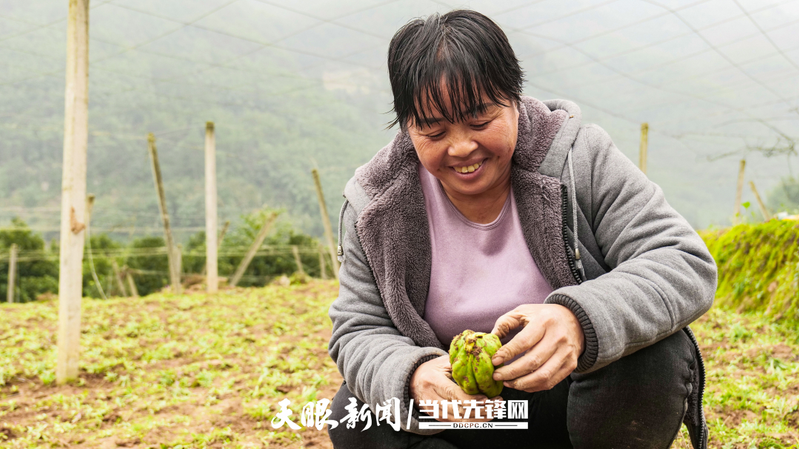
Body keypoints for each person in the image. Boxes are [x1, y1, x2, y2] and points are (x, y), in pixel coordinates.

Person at [327, 9, 716, 449]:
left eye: (479, 120)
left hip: (574, 401)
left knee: (653, 355)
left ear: (514, 99)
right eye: (433, 131)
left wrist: (578, 320)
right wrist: (414, 376)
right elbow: (359, 328)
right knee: (353, 415)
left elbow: (682, 260)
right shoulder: (376, 203)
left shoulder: (578, 159)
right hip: (468, 417)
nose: (461, 148)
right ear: (407, 128)